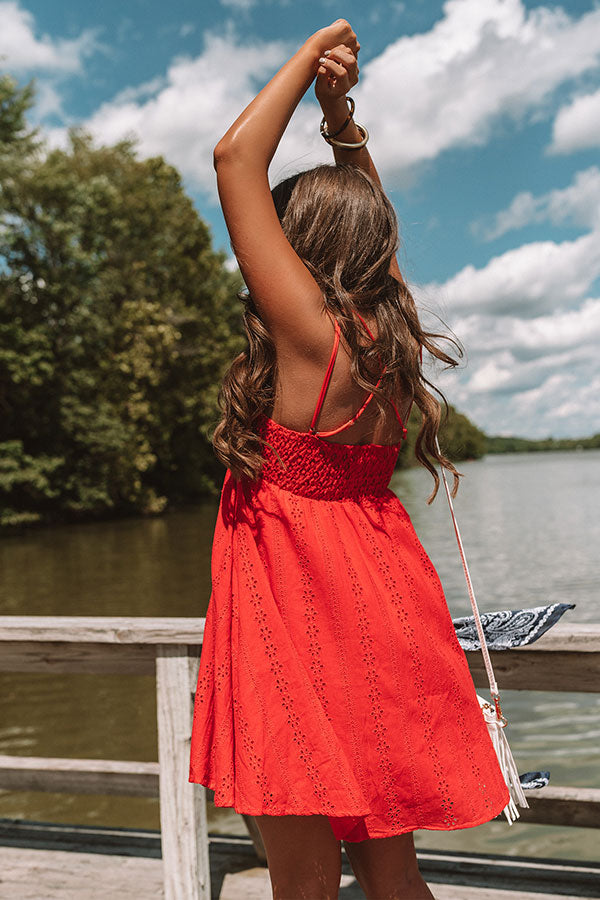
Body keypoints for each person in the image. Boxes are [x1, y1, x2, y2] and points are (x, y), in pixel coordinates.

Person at [189, 19, 510, 900]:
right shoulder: (387, 344)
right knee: (393, 873)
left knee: (302, 882)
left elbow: (233, 159)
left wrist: (308, 53)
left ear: (298, 247)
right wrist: (341, 121)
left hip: (293, 619)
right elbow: (378, 235)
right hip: (382, 609)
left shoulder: (309, 335)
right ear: (371, 247)